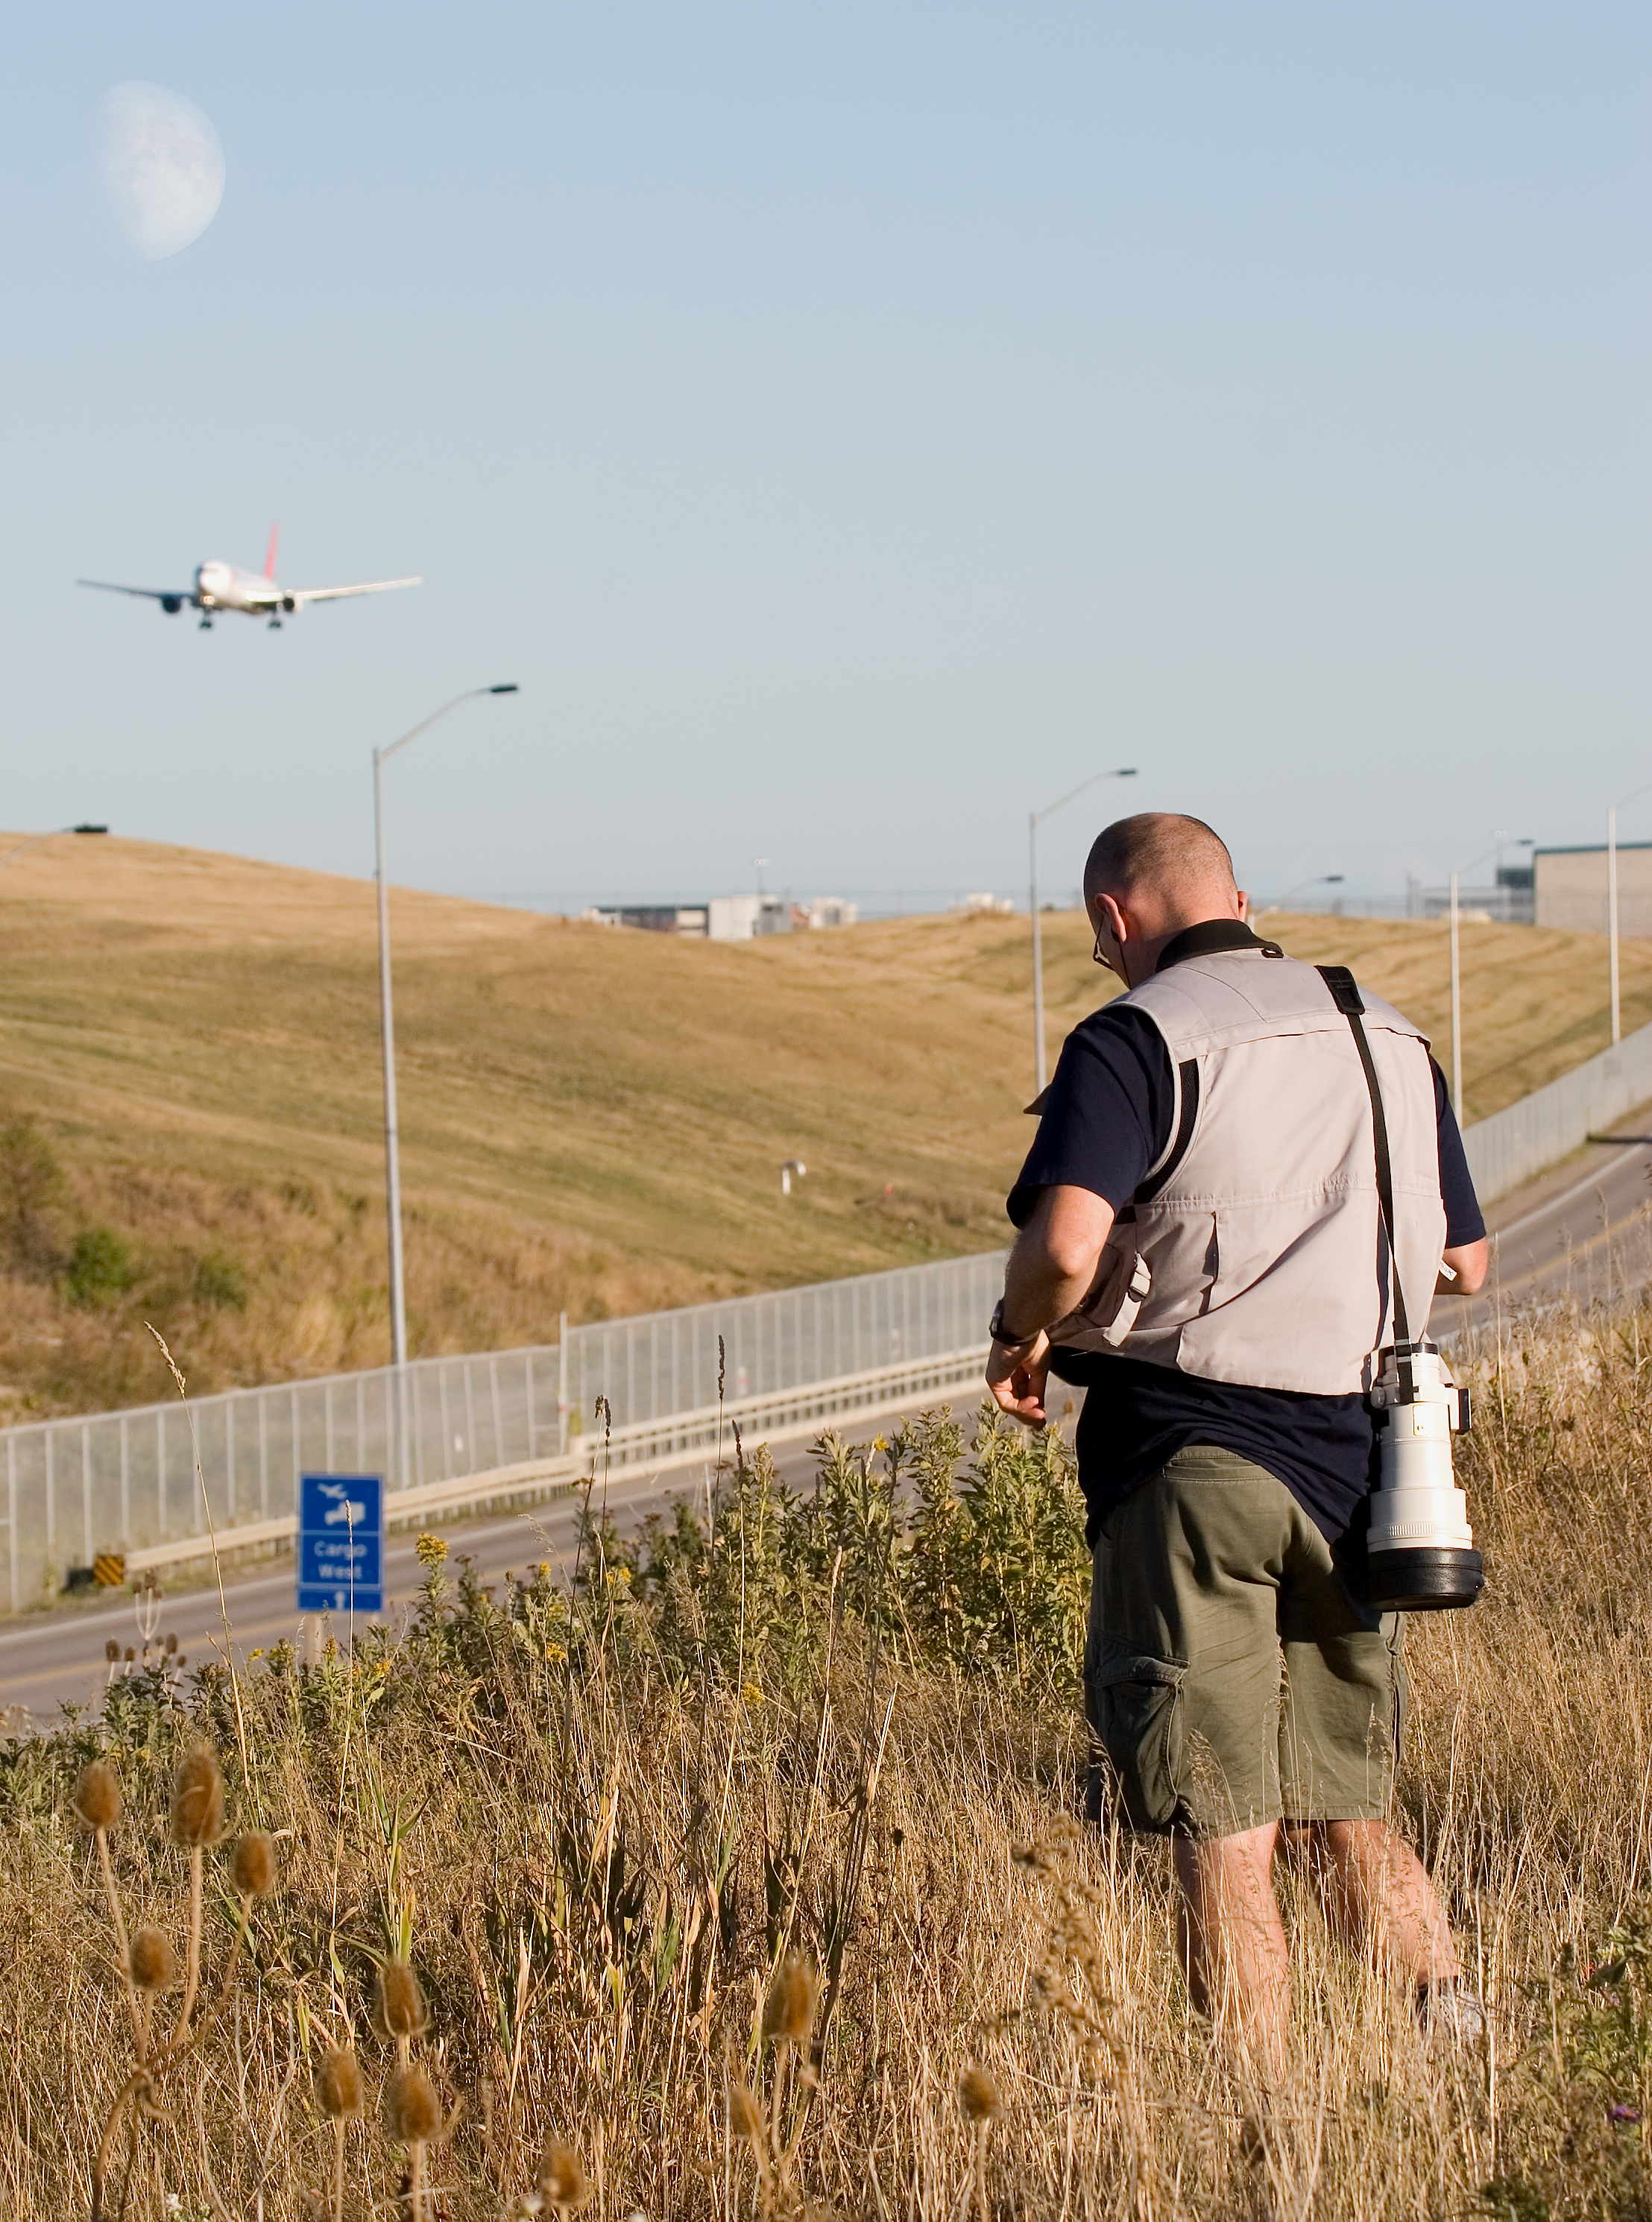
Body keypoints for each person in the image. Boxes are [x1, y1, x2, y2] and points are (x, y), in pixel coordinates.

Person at [986, 812, 1489, 2087]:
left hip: (1193, 1463)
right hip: (1370, 1477)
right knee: (1350, 1806)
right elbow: (1466, 1264)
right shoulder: (1389, 1034)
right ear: (1240, 896)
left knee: (1224, 1819)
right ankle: (1457, 2050)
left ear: (1116, 920)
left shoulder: (1136, 1038)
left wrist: (1021, 1335)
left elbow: (1062, 1249)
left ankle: (1259, 2117)